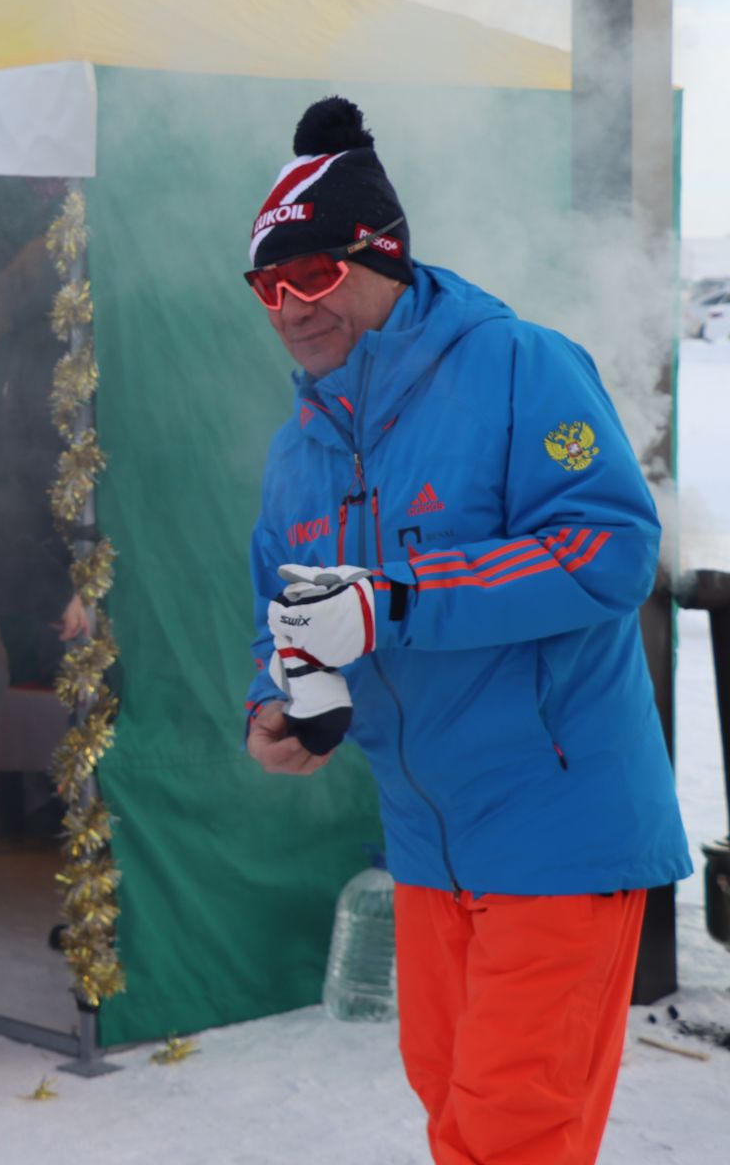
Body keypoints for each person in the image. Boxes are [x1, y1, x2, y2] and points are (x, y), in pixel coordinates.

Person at [240, 97, 691, 1165]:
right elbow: (280, 599)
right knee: (451, 1106)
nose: (291, 308)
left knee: (512, 1128)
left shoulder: (520, 365)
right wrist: (278, 696)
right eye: (268, 287)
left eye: (311, 275)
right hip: (427, 837)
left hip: (560, 822)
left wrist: (391, 600)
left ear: (379, 257)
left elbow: (611, 548)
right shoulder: (300, 440)